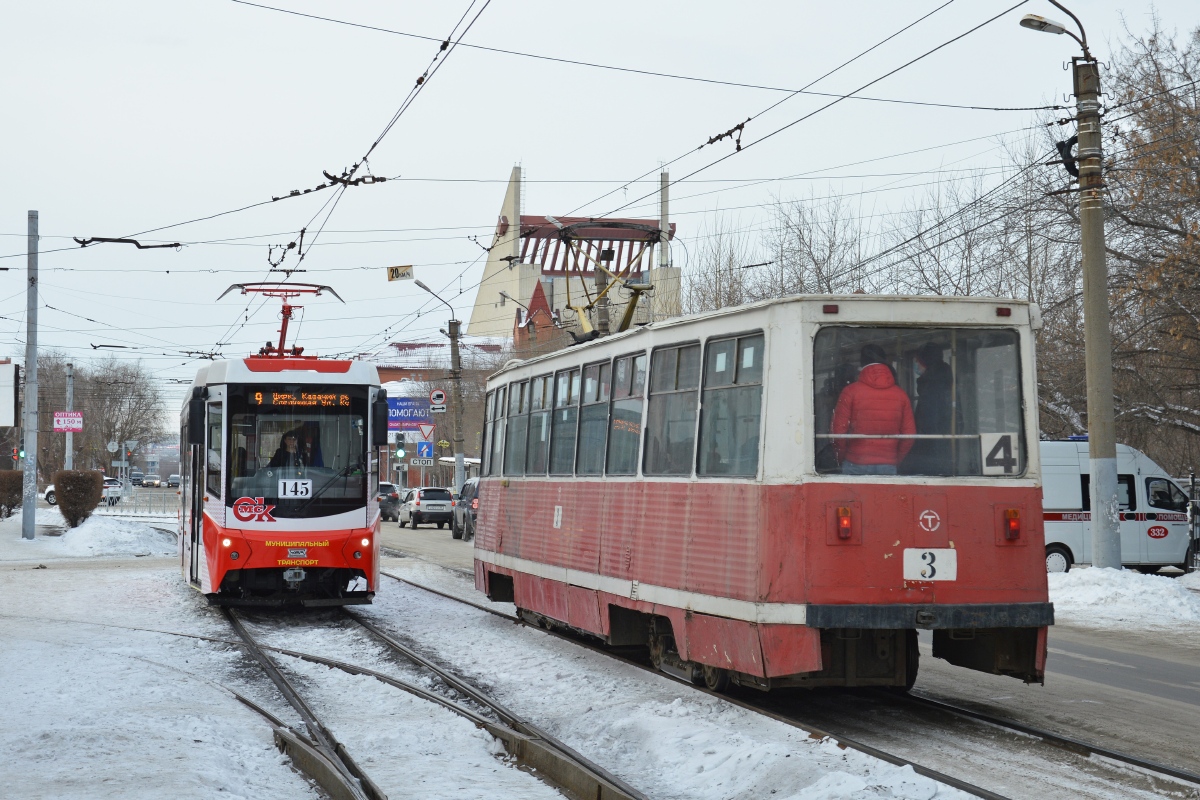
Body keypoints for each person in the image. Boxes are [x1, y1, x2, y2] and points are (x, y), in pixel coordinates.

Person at [830, 344, 915, 474]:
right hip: (888, 463)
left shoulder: (850, 392)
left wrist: (841, 458)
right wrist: (895, 459)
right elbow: (909, 435)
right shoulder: (901, 395)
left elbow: (838, 432)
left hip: (855, 461)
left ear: (861, 362)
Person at [905, 342, 955, 475]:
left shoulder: (931, 387)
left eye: (917, 361)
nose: (916, 365)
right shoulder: (944, 380)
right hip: (943, 450)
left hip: (930, 454)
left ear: (925, 362)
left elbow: (928, 423)